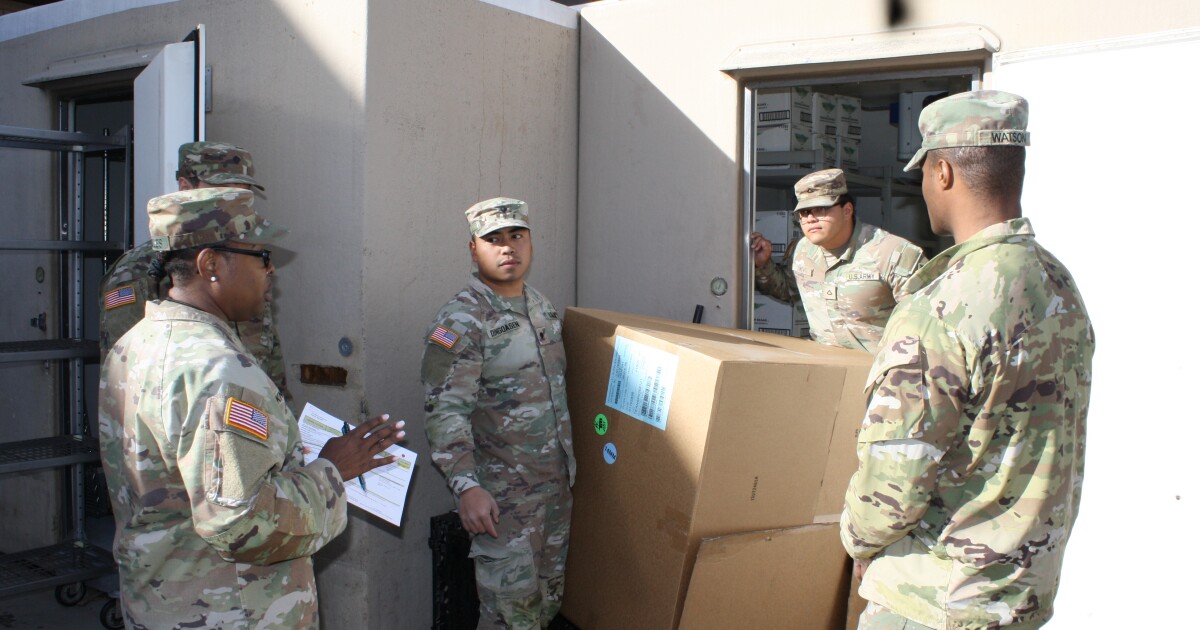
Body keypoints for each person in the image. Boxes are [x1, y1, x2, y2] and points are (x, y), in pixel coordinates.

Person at [839, 90, 1095, 629]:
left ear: (945, 172)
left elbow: (893, 484)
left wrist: (856, 540)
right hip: (1019, 600)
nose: (924, 186)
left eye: (926, 172)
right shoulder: (1060, 286)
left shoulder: (941, 306)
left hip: (934, 603)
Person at [97, 188, 406, 628]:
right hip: (230, 611)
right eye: (260, 255)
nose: (272, 269)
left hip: (163, 603)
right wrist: (333, 469)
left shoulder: (134, 345)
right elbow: (242, 522)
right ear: (210, 265)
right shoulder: (219, 370)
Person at [422, 197, 575, 629]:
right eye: (494, 239)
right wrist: (465, 485)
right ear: (474, 248)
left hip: (552, 497)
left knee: (543, 610)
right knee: (508, 618)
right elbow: (444, 410)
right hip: (503, 504)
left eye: (516, 235)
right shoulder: (461, 320)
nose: (508, 247)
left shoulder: (541, 307)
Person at [98, 141, 290, 402]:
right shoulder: (135, 275)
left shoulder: (244, 269)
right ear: (185, 189)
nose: (236, 206)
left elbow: (271, 369)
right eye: (223, 193)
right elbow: (128, 385)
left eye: (243, 195)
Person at [751, 168, 927, 352]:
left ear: (847, 210)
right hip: (829, 368)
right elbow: (788, 290)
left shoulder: (893, 253)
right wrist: (763, 265)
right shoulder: (802, 251)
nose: (810, 218)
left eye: (820, 209)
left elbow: (925, 325)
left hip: (881, 373)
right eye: (803, 212)